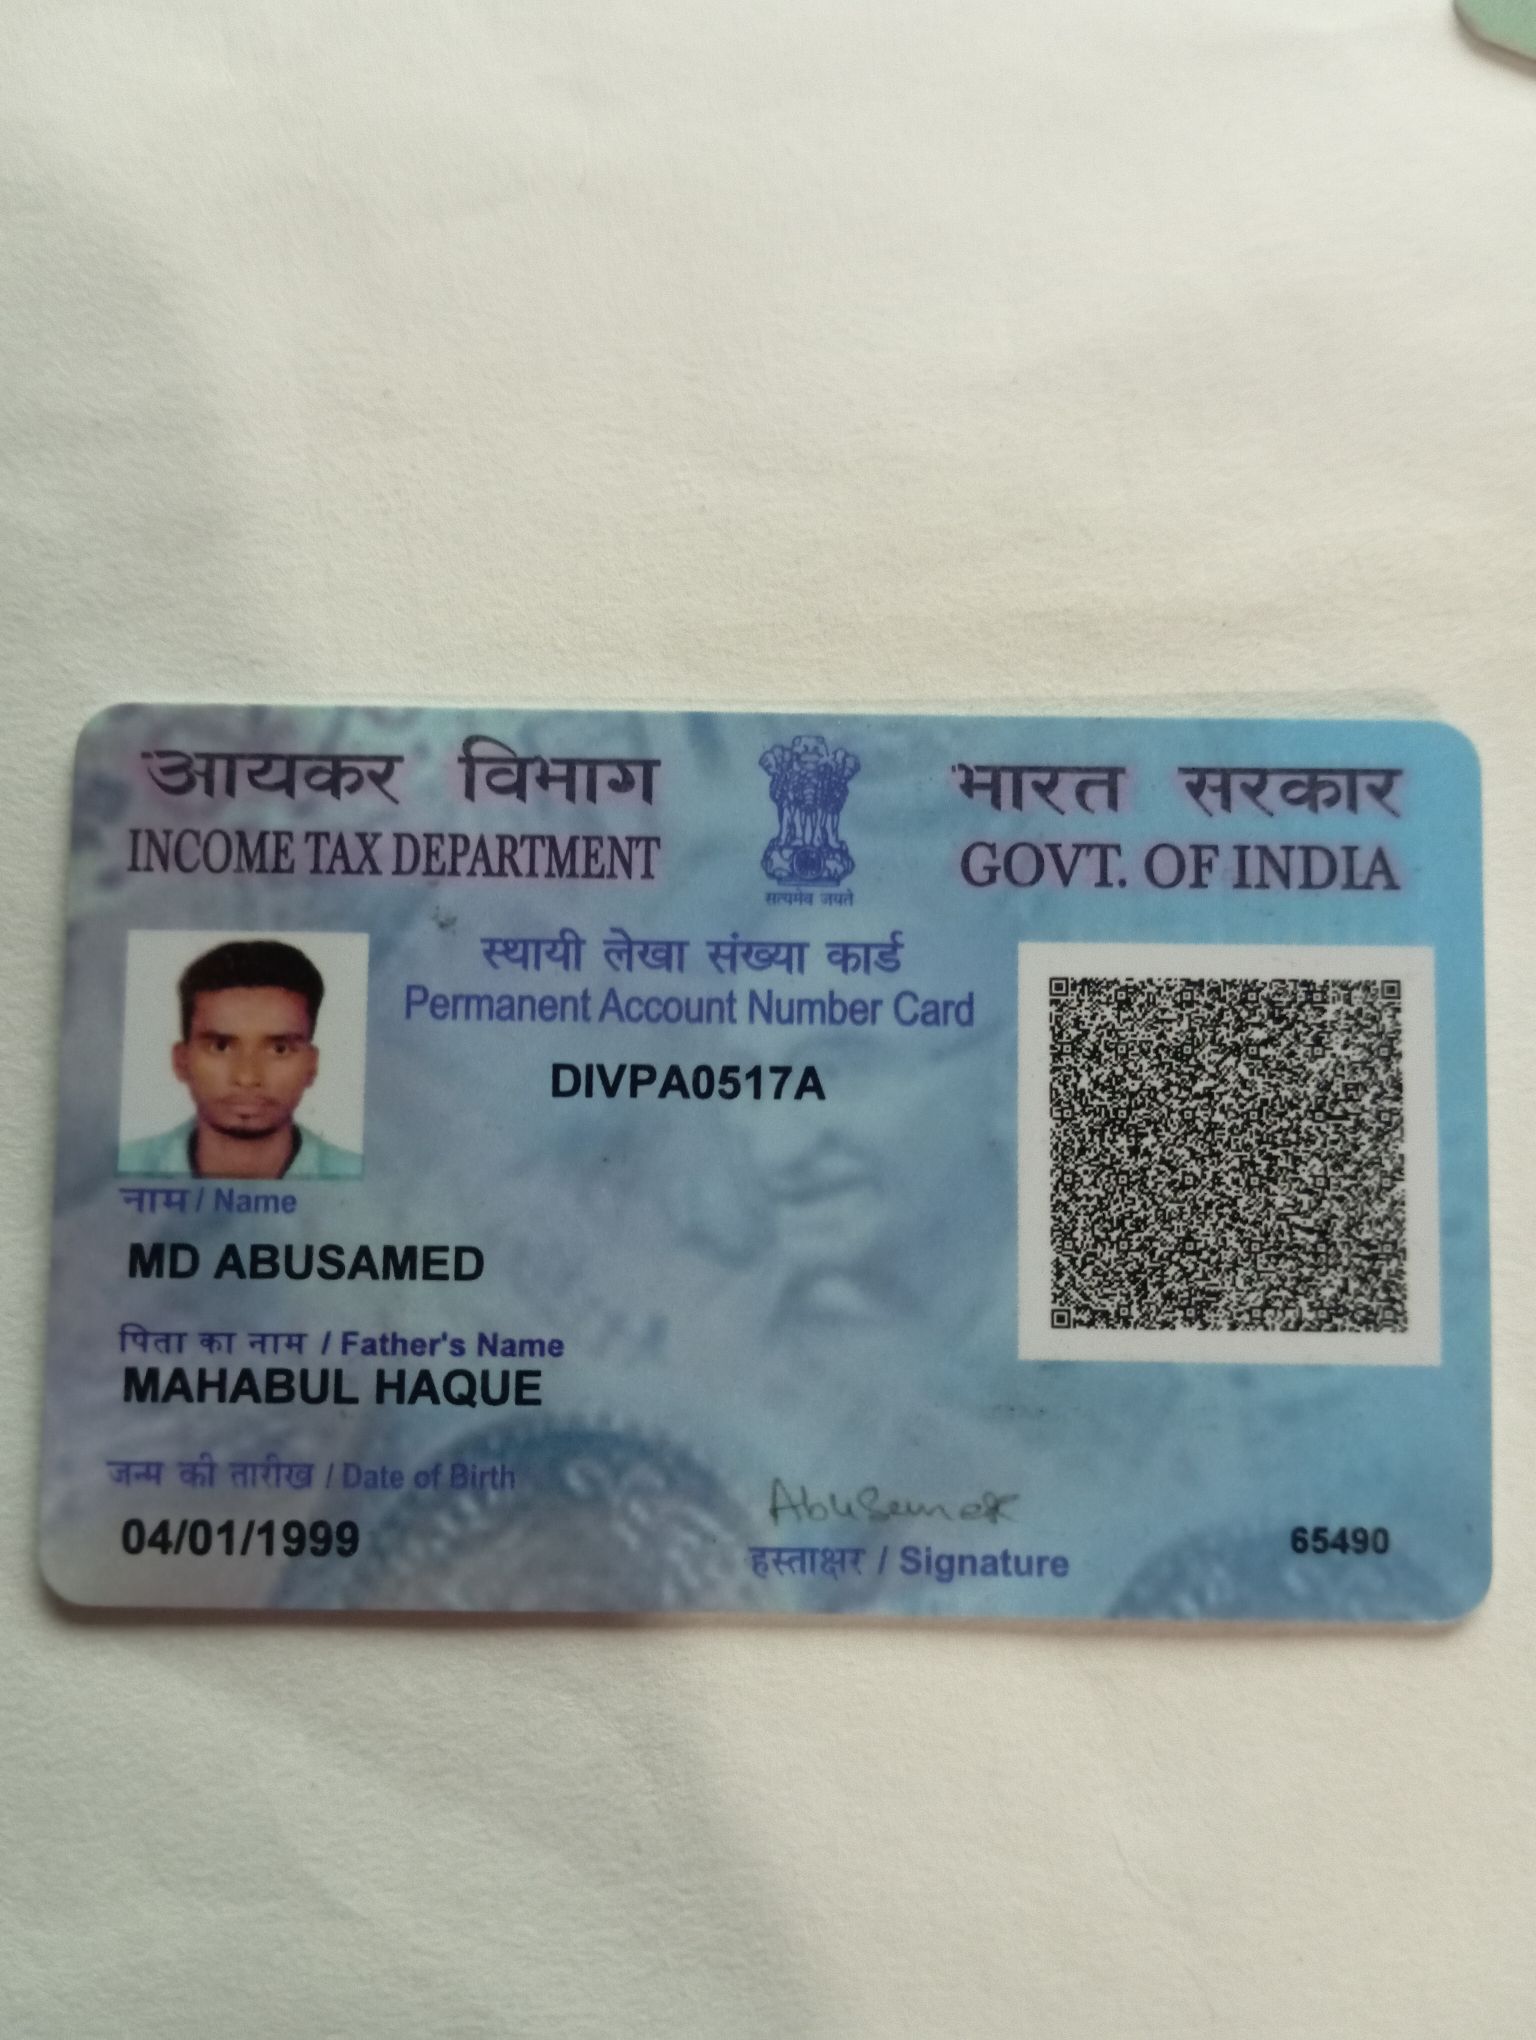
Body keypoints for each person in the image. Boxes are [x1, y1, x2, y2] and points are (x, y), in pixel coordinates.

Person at [118, 939, 362, 1179]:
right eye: (220, 1047)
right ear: (181, 1061)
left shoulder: (362, 1180)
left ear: (312, 1065)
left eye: (279, 1049)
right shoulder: (117, 1172)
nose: (247, 1077)